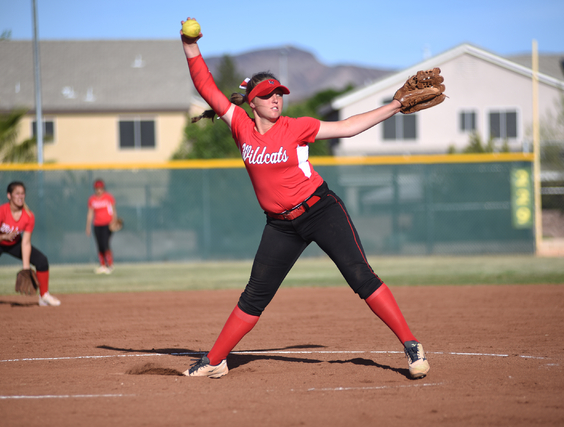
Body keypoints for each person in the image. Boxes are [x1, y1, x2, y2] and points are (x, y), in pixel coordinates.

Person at [179, 18, 430, 380]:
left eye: (279, 93)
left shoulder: (296, 127)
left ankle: (411, 345)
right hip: (280, 227)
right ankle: (215, 360)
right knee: (254, 296)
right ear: (252, 102)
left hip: (320, 210)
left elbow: (347, 126)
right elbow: (205, 84)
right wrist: (190, 45)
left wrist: (393, 107)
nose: (276, 98)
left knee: (360, 276)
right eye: (267, 95)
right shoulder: (240, 126)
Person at [0, 181, 61, 310]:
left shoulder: (29, 215)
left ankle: (44, 296)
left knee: (41, 260)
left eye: (23, 193)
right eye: (17, 193)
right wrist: (4, 236)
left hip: (13, 243)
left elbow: (25, 242)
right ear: (9, 196)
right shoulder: (1, 211)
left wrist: (26, 268)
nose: (20, 196)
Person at [86, 179, 118, 274]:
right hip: (97, 224)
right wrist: (88, 226)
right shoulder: (92, 199)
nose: (99, 190)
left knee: (105, 244)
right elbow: (90, 213)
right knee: (99, 245)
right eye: (97, 188)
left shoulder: (108, 197)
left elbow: (113, 211)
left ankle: (110, 265)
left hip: (107, 224)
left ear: (103, 188)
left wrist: (114, 222)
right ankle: (103, 265)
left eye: (100, 188)